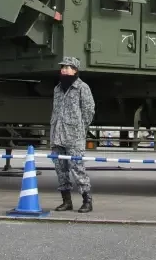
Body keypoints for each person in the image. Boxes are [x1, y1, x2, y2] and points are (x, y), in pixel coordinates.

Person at [50, 56, 95, 213]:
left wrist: (80, 128)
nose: (63, 70)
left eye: (67, 67)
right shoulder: (57, 89)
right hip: (57, 136)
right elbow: (56, 111)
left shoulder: (82, 87)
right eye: (62, 67)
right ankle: (66, 201)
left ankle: (87, 201)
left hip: (74, 137)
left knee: (77, 169)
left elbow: (89, 111)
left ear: (75, 70)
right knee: (60, 170)